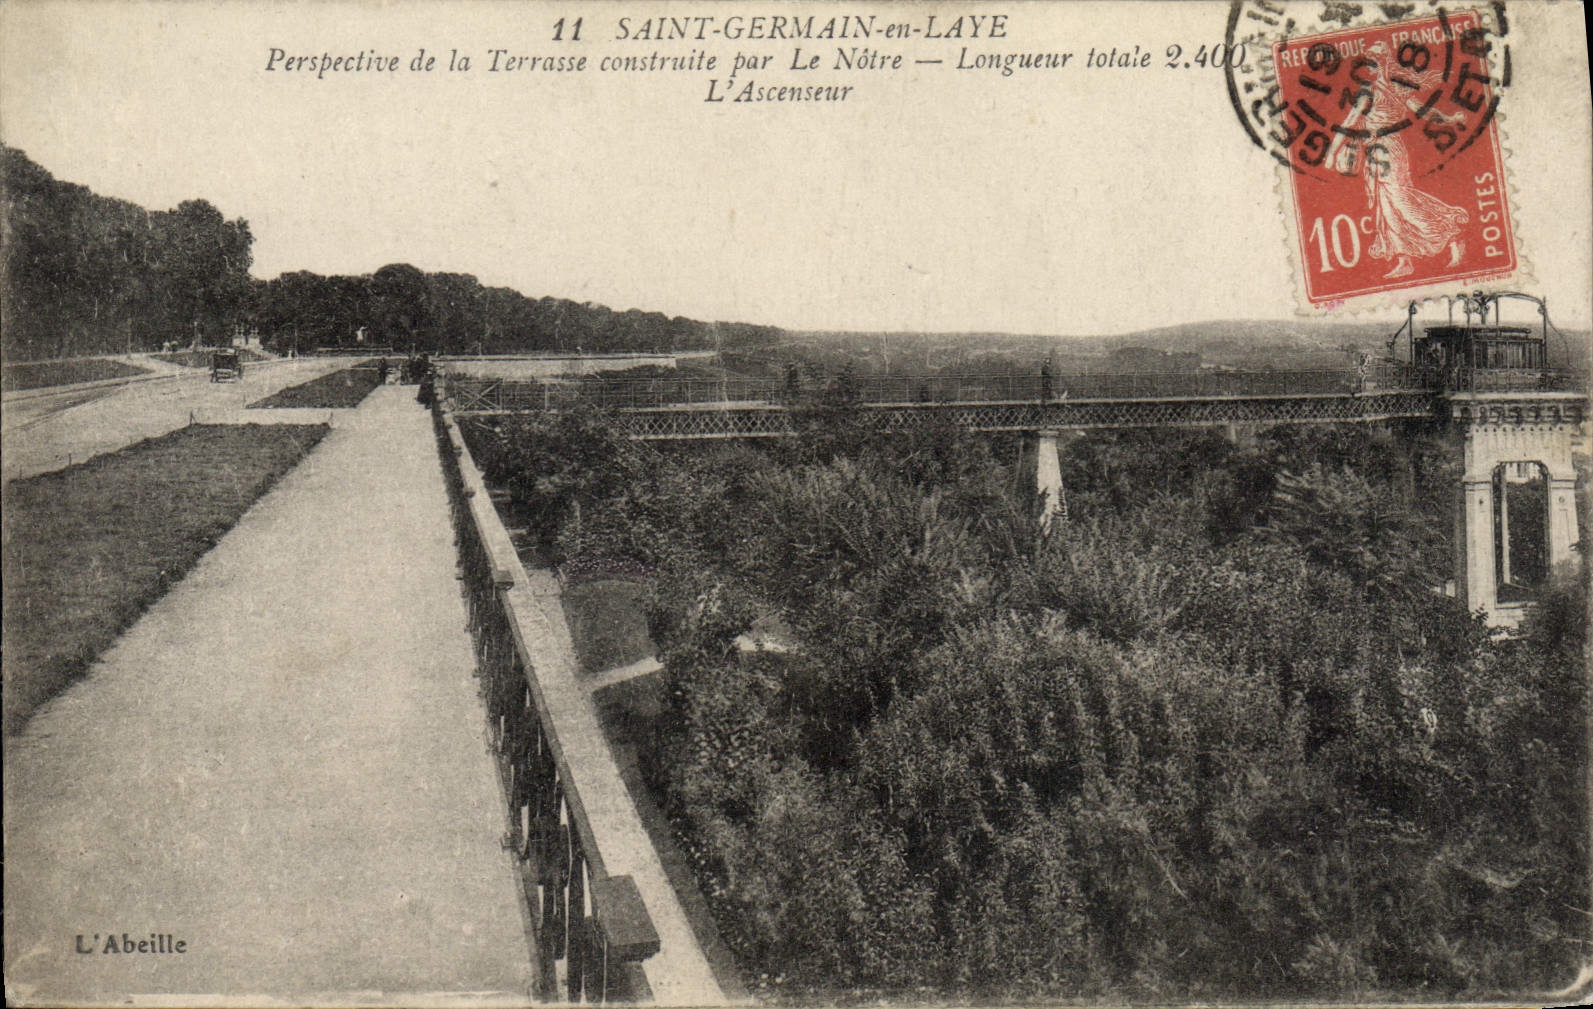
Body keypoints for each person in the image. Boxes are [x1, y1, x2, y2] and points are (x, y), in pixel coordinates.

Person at [1327, 41, 1468, 279]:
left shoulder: (1390, 89)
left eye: (1374, 60)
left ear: (1382, 63)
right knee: (1387, 207)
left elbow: (1423, 111)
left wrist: (1450, 119)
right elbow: (1352, 120)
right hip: (1375, 152)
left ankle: (1452, 233)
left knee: (1402, 200)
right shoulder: (1372, 89)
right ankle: (1404, 260)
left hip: (1391, 148)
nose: (1370, 66)